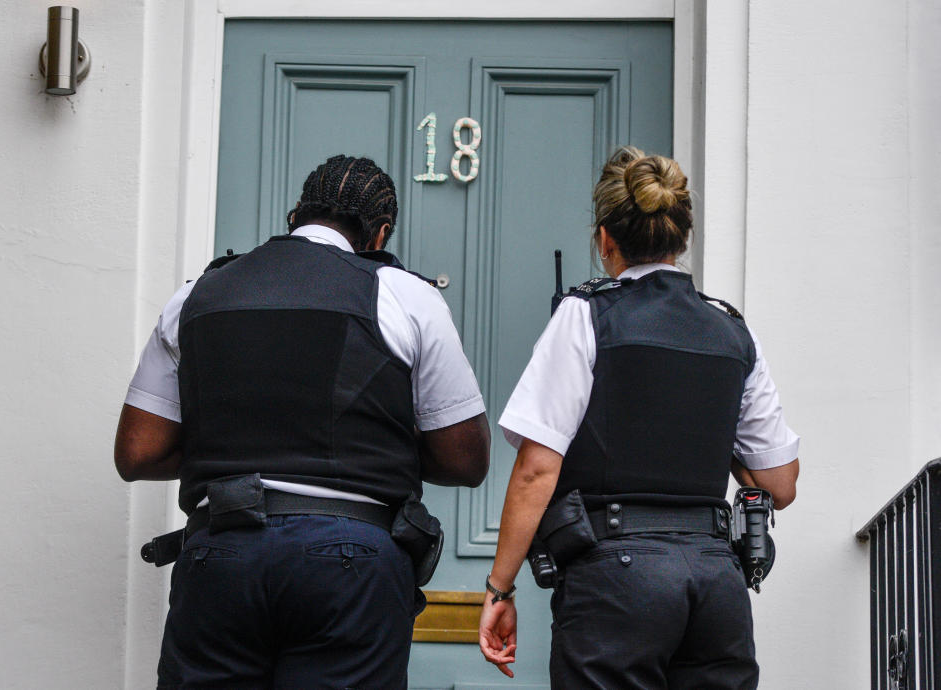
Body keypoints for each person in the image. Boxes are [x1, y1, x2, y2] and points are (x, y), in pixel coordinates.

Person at [114, 155, 490, 689]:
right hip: (351, 563)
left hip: (221, 553)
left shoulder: (196, 294)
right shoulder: (406, 296)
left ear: (295, 215)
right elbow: (465, 460)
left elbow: (138, 453)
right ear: (380, 232)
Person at [478, 147, 799, 688]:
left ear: (606, 239)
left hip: (616, 584)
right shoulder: (733, 331)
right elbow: (780, 484)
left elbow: (537, 468)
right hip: (717, 583)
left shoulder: (586, 315)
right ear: (680, 236)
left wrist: (500, 589)